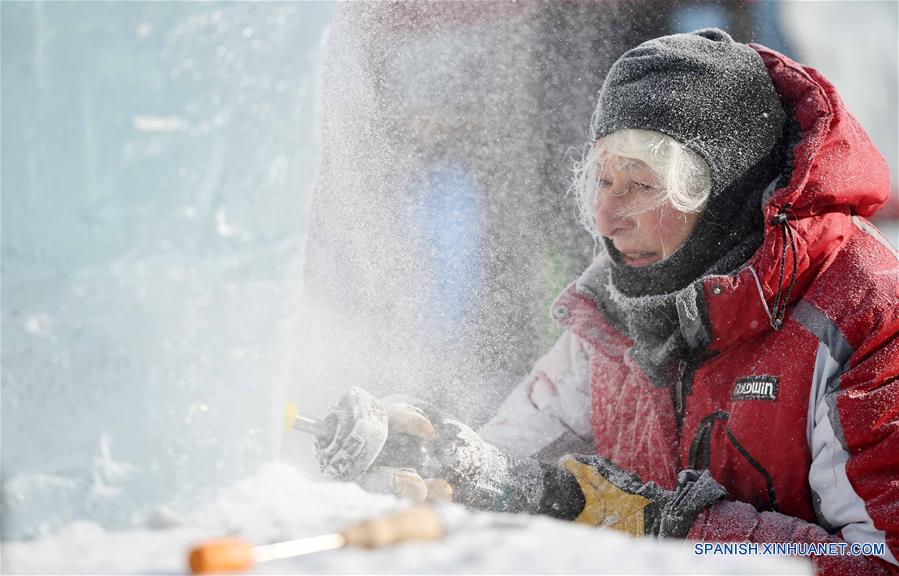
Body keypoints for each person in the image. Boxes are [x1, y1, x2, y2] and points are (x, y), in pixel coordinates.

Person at [314, 29, 898, 574]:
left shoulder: (863, 313)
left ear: (730, 192)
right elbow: (515, 464)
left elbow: (882, 560)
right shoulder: (619, 302)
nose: (606, 219)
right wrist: (435, 451)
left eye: (643, 186)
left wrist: (666, 526)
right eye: (600, 180)